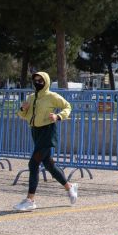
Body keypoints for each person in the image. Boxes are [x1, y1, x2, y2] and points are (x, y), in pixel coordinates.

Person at [13, 71, 76, 211]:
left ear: (46, 82)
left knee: (33, 163)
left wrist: (58, 116)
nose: (37, 83)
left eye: (40, 81)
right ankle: (69, 187)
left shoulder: (51, 96)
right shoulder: (30, 97)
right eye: (35, 80)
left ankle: (30, 200)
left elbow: (68, 106)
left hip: (48, 132)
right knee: (48, 164)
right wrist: (22, 109)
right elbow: (22, 115)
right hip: (35, 132)